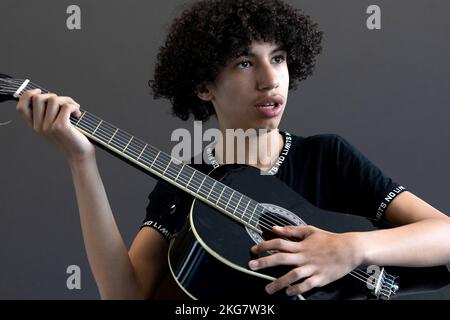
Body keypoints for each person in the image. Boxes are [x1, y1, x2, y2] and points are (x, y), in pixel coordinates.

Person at [16, 0, 450, 299]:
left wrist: (350, 248)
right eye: (245, 62)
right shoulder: (187, 180)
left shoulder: (327, 157)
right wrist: (81, 159)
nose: (269, 79)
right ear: (204, 86)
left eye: (277, 58)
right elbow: (126, 292)